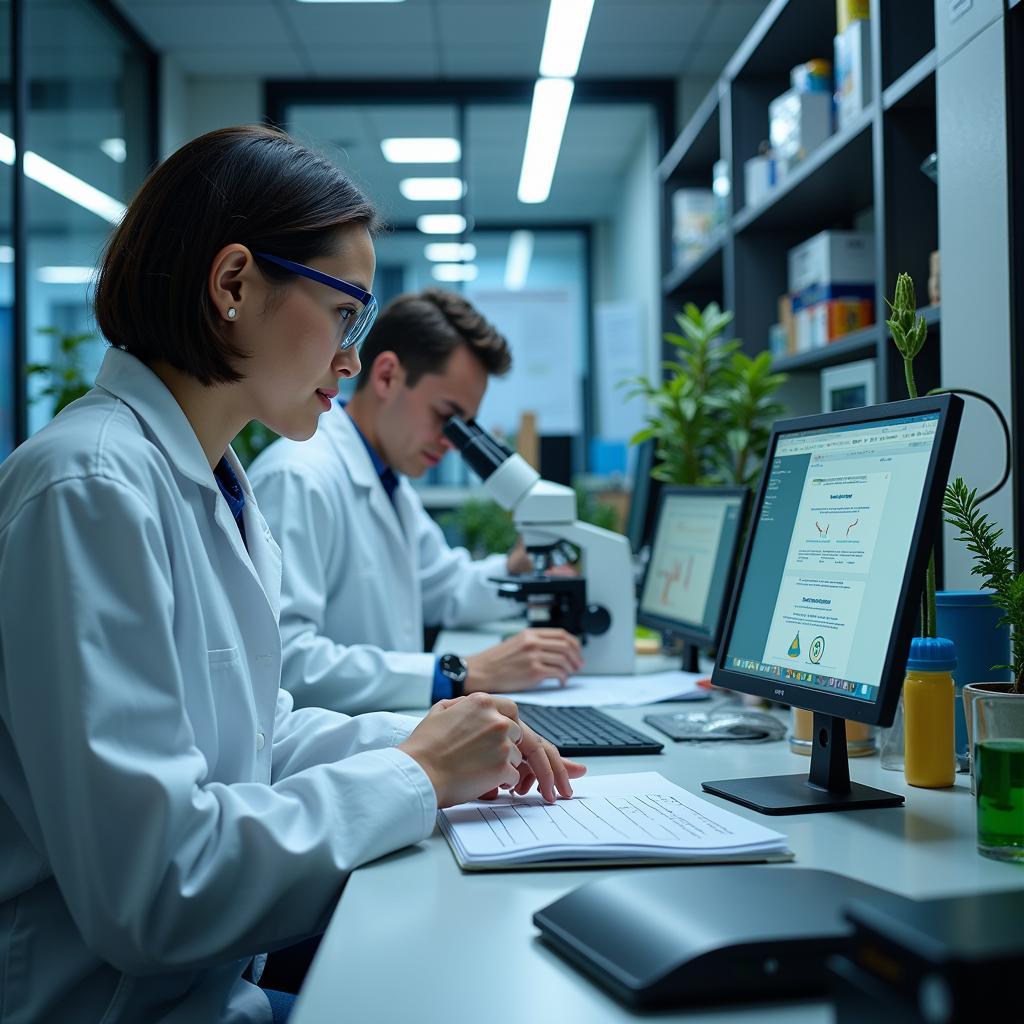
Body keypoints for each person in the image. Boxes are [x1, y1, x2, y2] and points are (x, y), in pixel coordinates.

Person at [0, 125, 585, 1024]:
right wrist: (416, 775)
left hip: (214, 991)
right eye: (346, 312)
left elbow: (260, 735)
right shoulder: (89, 487)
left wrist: (446, 736)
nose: (350, 359)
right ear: (234, 283)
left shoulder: (209, 481)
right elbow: (159, 891)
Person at [248, 289, 584, 716]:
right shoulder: (300, 477)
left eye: (464, 427)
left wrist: (515, 569)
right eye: (446, 417)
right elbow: (285, 662)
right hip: (320, 763)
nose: (451, 443)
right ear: (387, 376)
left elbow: (443, 589)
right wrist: (455, 673)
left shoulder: (389, 481)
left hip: (386, 740)